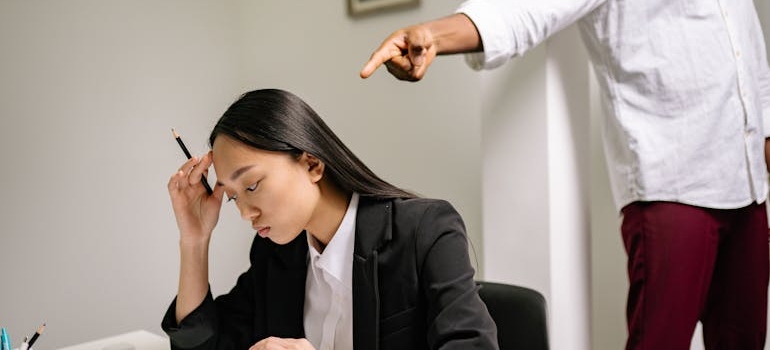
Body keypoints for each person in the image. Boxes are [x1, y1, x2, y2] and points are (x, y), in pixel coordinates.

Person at [360, 1, 770, 349]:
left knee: (747, 338)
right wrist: (433, 34)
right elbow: (523, 8)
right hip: (672, 180)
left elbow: (745, 43)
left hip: (748, 179)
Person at [161, 88, 498, 350]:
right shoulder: (276, 253)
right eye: (233, 196)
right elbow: (202, 344)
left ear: (311, 164)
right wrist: (195, 240)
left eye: (252, 185)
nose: (245, 213)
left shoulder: (425, 231)